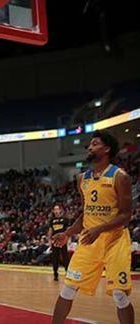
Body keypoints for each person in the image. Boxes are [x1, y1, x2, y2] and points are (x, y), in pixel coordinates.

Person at [52, 131, 135, 324]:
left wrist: (99, 229)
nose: (90, 147)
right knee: (68, 289)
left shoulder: (120, 177)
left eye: (95, 144)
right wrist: (67, 233)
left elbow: (125, 215)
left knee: (119, 295)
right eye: (90, 144)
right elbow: (85, 214)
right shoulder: (82, 179)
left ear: (106, 149)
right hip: (89, 241)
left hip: (114, 241)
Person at [48, 203, 70, 281]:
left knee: (65, 257)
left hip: (62, 240)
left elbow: (68, 230)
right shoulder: (52, 220)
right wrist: (49, 240)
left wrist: (67, 239)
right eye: (55, 209)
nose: (56, 211)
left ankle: (67, 273)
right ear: (53, 211)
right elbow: (50, 230)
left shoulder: (65, 219)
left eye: (58, 209)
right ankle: (55, 274)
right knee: (55, 258)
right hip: (54, 240)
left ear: (60, 210)